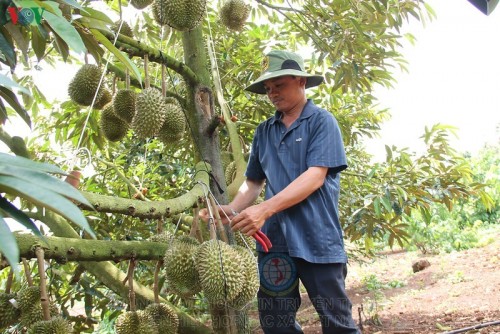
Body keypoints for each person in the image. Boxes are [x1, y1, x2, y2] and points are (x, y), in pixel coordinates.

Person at [200, 50, 359, 333]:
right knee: (276, 324)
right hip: (274, 244)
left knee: (337, 323)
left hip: (317, 242)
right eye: (269, 89)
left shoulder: (322, 122)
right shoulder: (264, 131)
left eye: (279, 85)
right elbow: (254, 181)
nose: (272, 93)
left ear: (300, 81)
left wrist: (264, 209)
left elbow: (315, 177)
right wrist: (233, 208)